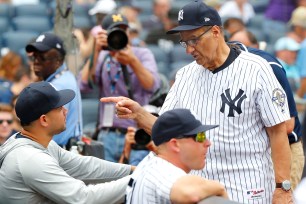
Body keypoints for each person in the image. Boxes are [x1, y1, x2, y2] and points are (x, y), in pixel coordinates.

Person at [101, 1, 293, 203]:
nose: (189, 50)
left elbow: (278, 132)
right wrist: (139, 114)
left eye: (194, 40)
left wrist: (283, 187)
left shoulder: (257, 69)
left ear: (216, 32)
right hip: (200, 192)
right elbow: (166, 130)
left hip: (249, 189)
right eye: (184, 42)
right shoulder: (185, 76)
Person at [0, 81, 133, 203]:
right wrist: (139, 179)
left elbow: (84, 166)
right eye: (59, 108)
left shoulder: (39, 143)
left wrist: (133, 171)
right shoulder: (31, 159)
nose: (66, 111)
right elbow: (83, 198)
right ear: (44, 120)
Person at [78, 13, 160, 162]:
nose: (119, 36)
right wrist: (95, 51)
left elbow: (152, 85)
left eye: (123, 30)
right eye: (115, 31)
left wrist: (133, 61)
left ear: (129, 32)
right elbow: (83, 85)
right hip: (107, 133)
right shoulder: (102, 57)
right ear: (104, 34)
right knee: (107, 182)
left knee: (133, 180)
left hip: (136, 133)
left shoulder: (142, 54)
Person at [227, 37, 304, 190]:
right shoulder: (215, 70)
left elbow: (288, 125)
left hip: (285, 149)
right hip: (251, 155)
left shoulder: (268, 66)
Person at [126, 108, 228, 203]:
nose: (208, 143)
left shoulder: (150, 163)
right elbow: (189, 193)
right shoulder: (161, 169)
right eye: (200, 136)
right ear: (175, 144)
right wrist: (219, 188)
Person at [25, 33, 83, 149]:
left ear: (58, 61)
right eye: (34, 57)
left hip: (58, 153)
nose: (36, 61)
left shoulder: (58, 86)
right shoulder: (65, 76)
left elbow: (46, 129)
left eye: (42, 58)